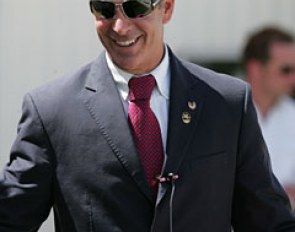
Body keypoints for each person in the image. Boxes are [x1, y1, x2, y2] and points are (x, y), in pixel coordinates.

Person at [1, 0, 295, 231]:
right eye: (104, 8)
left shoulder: (228, 103)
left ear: (166, 7)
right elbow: (11, 218)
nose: (120, 26)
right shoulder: (52, 110)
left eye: (135, 7)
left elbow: (269, 222)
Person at [242, 26, 295, 210]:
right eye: (285, 70)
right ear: (255, 69)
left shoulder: (292, 115)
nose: (293, 78)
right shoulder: (221, 111)